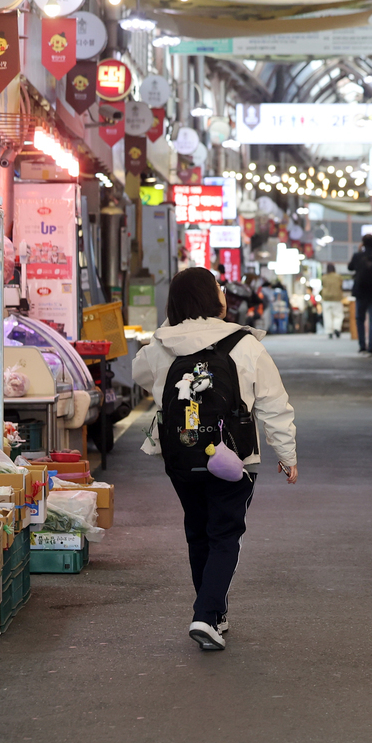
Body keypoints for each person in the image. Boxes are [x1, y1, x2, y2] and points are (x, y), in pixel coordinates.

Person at [132, 267, 298, 652]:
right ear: (216, 298)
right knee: (225, 534)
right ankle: (206, 615)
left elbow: (139, 373)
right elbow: (274, 403)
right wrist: (286, 453)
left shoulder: (160, 346)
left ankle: (215, 616)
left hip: (180, 456)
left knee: (198, 531)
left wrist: (170, 327)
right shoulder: (244, 344)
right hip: (234, 459)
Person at [346, 235, 372, 353]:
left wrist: (360, 251)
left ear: (363, 244)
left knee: (360, 318)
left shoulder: (357, 256)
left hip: (360, 292)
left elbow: (350, 267)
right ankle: (371, 346)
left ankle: (362, 345)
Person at [319, 263, 344, 338]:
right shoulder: (338, 277)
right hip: (336, 298)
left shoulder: (324, 277)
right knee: (338, 315)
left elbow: (322, 286)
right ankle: (337, 328)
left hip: (326, 298)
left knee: (327, 316)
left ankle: (329, 331)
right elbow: (341, 286)